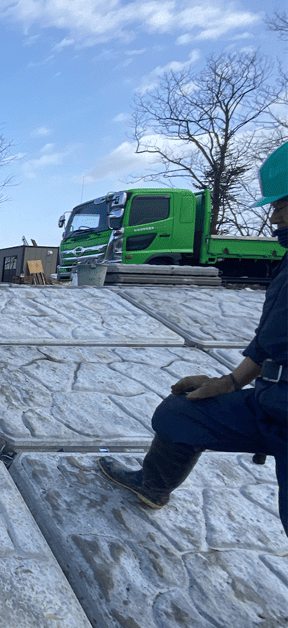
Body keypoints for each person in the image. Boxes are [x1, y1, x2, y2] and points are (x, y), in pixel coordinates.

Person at [99, 141, 288, 536]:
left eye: (282, 206)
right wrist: (231, 381)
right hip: (273, 403)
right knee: (182, 412)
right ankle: (153, 486)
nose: (274, 217)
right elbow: (270, 336)